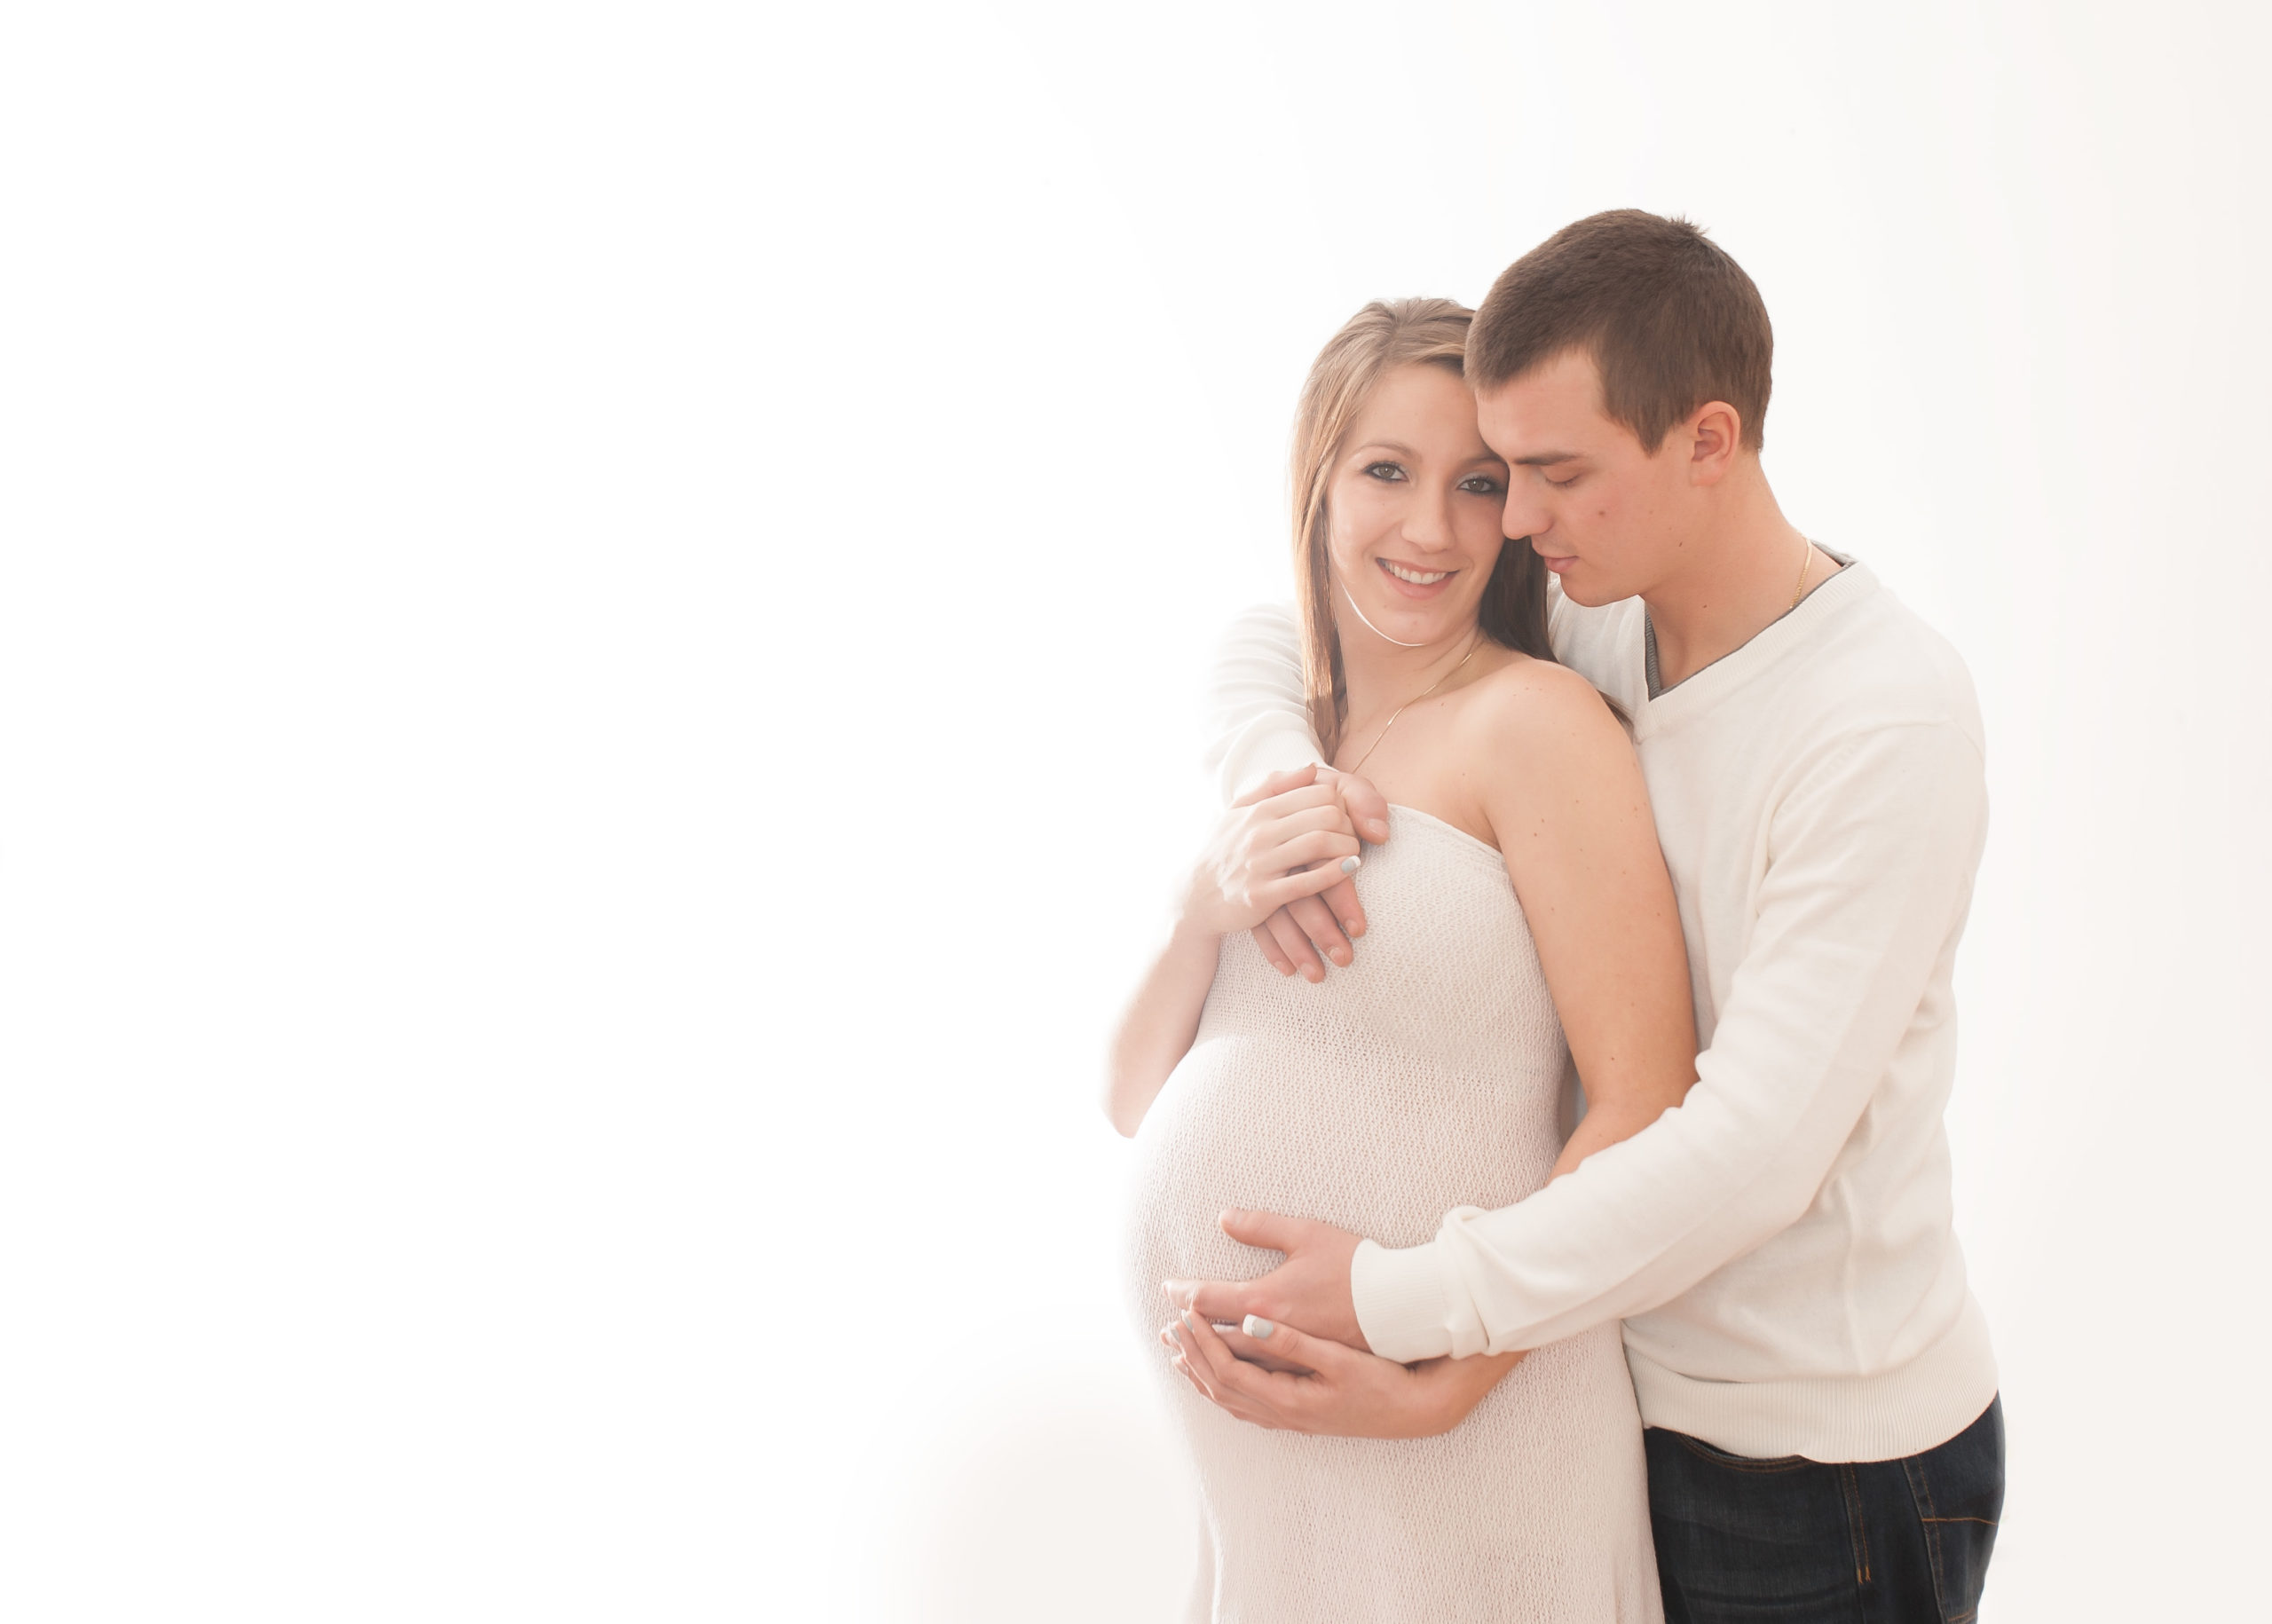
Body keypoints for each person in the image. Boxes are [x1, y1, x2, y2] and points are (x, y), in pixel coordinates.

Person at [1168, 210, 2006, 1622]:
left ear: (1708, 440)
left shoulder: (1881, 722)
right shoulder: (1600, 608)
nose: (1517, 523)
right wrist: (1272, 775)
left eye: (1551, 475)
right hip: (1611, 1383)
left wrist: (1402, 1304)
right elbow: (1281, 625)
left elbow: (1748, 1152)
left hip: (1818, 1457)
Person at [1110, 296, 1699, 1621]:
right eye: (1388, 471)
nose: (1432, 528)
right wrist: (1202, 904)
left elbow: (1646, 1099)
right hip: (1267, 1481)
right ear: (1318, 484)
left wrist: (1444, 1373)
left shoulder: (1531, 724)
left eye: (1478, 485)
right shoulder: (1282, 741)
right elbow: (1131, 1099)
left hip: (1474, 1434)